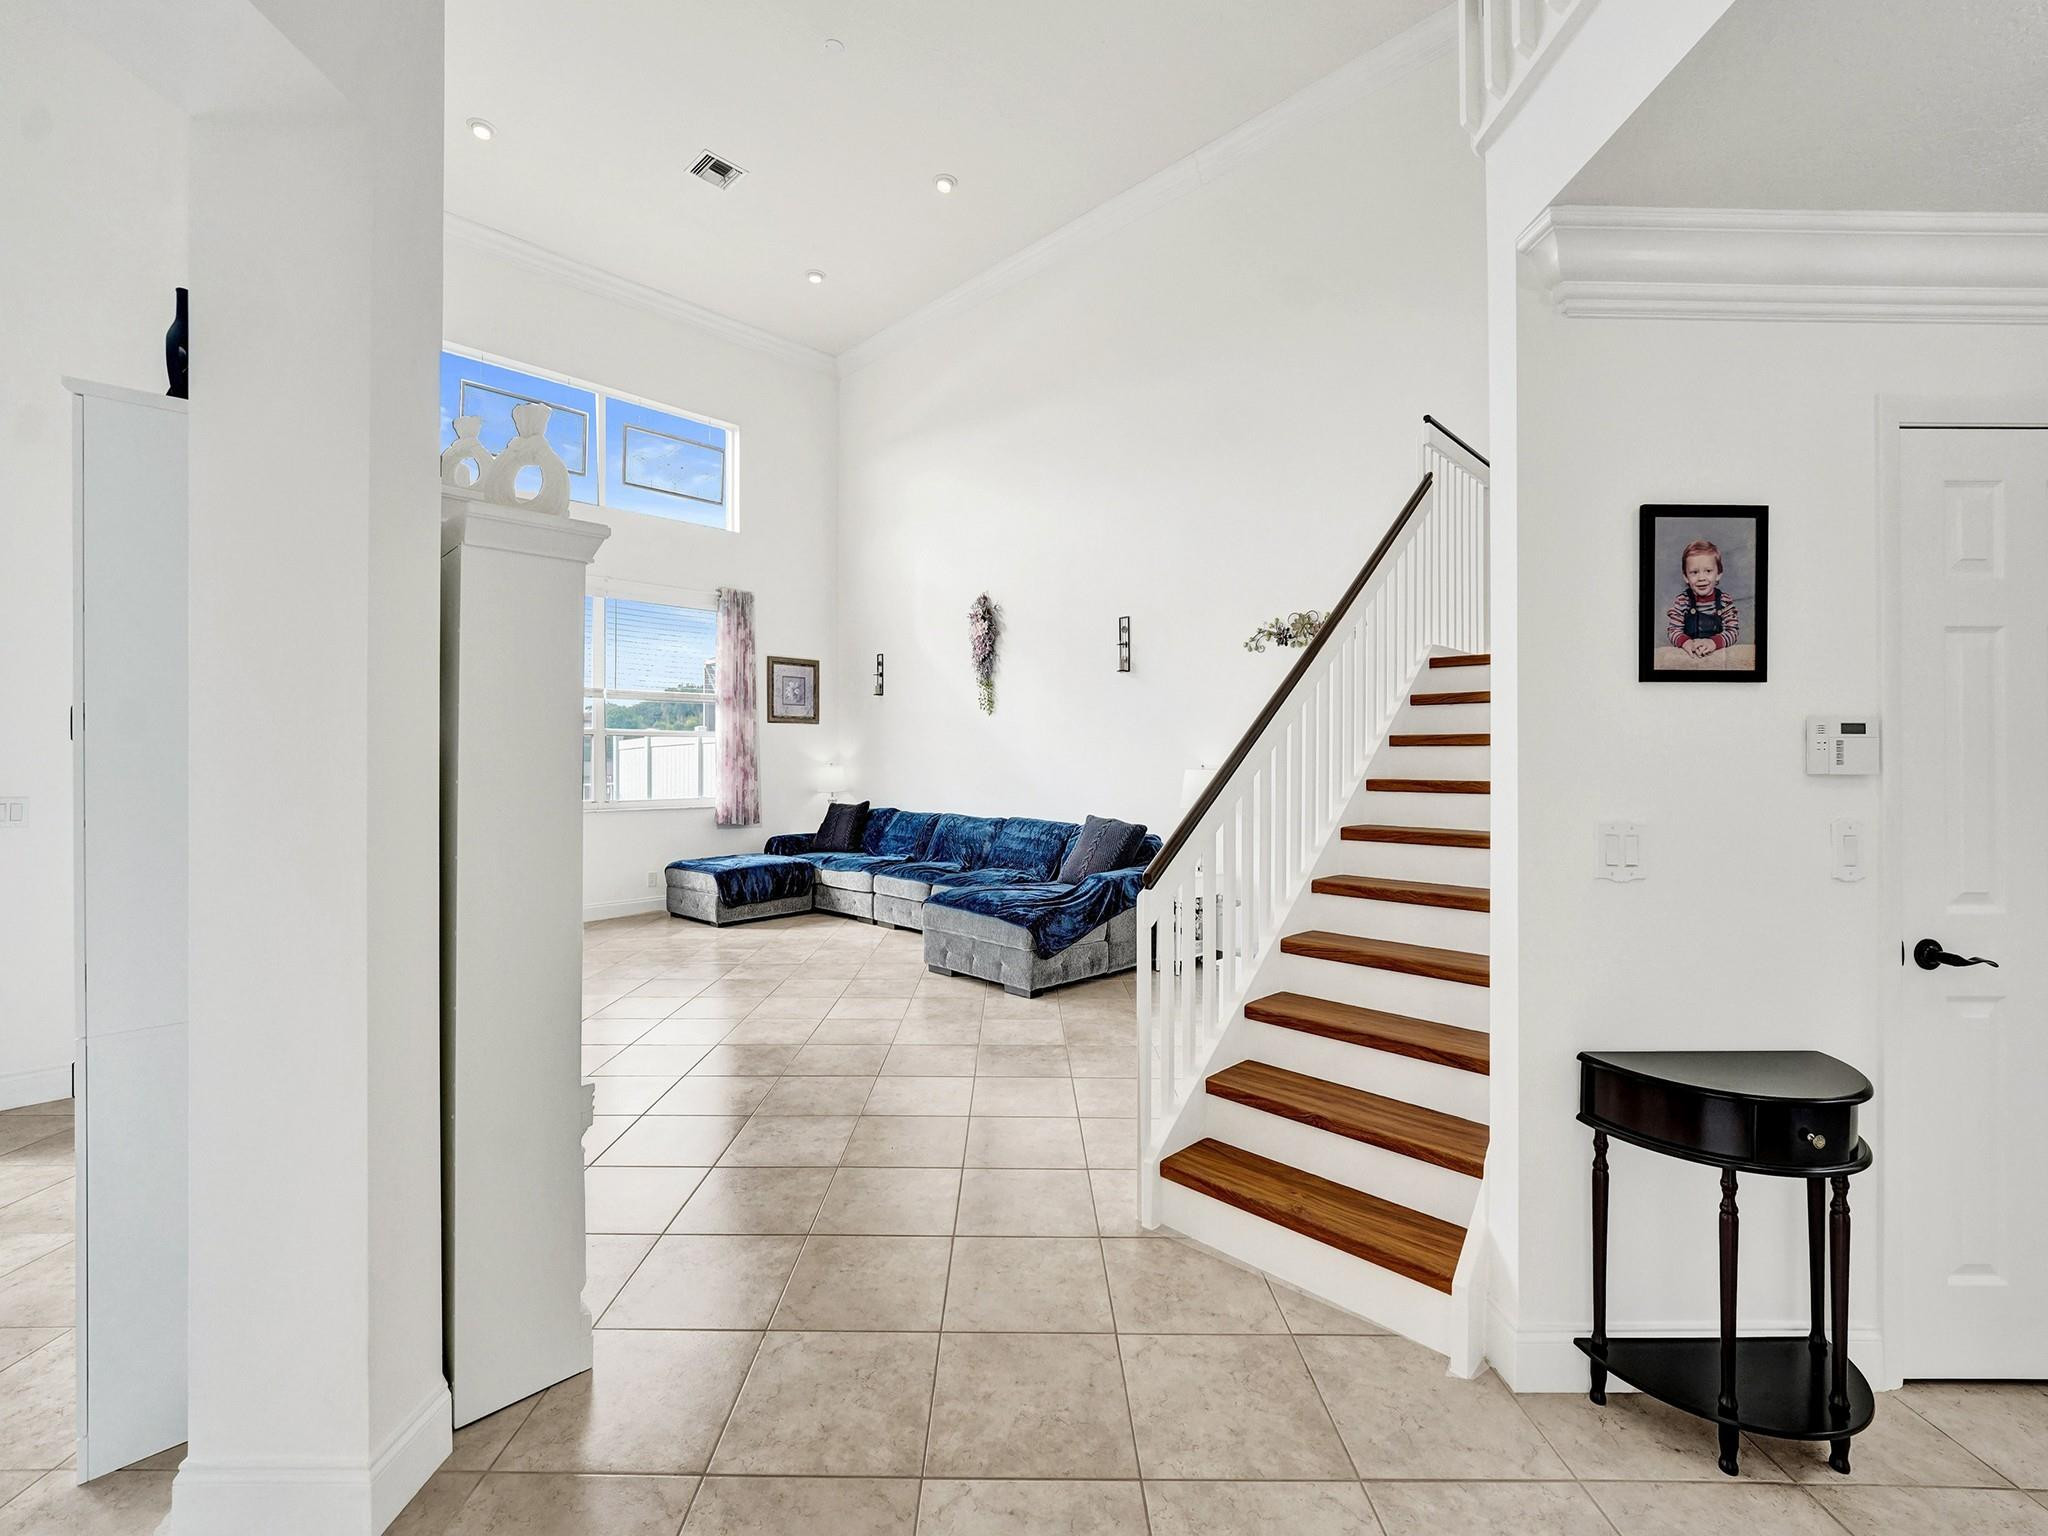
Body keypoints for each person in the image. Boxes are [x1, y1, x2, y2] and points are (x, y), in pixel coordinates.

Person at [1666, 539, 1740, 659]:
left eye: (1708, 571)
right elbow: (1673, 630)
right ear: (1686, 577)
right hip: (1690, 655)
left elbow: (1733, 632)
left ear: (1718, 574)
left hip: (1717, 655)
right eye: (1694, 572)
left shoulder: (1725, 601)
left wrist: (1713, 643)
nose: (1701, 578)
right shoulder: (1682, 601)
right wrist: (1686, 643)